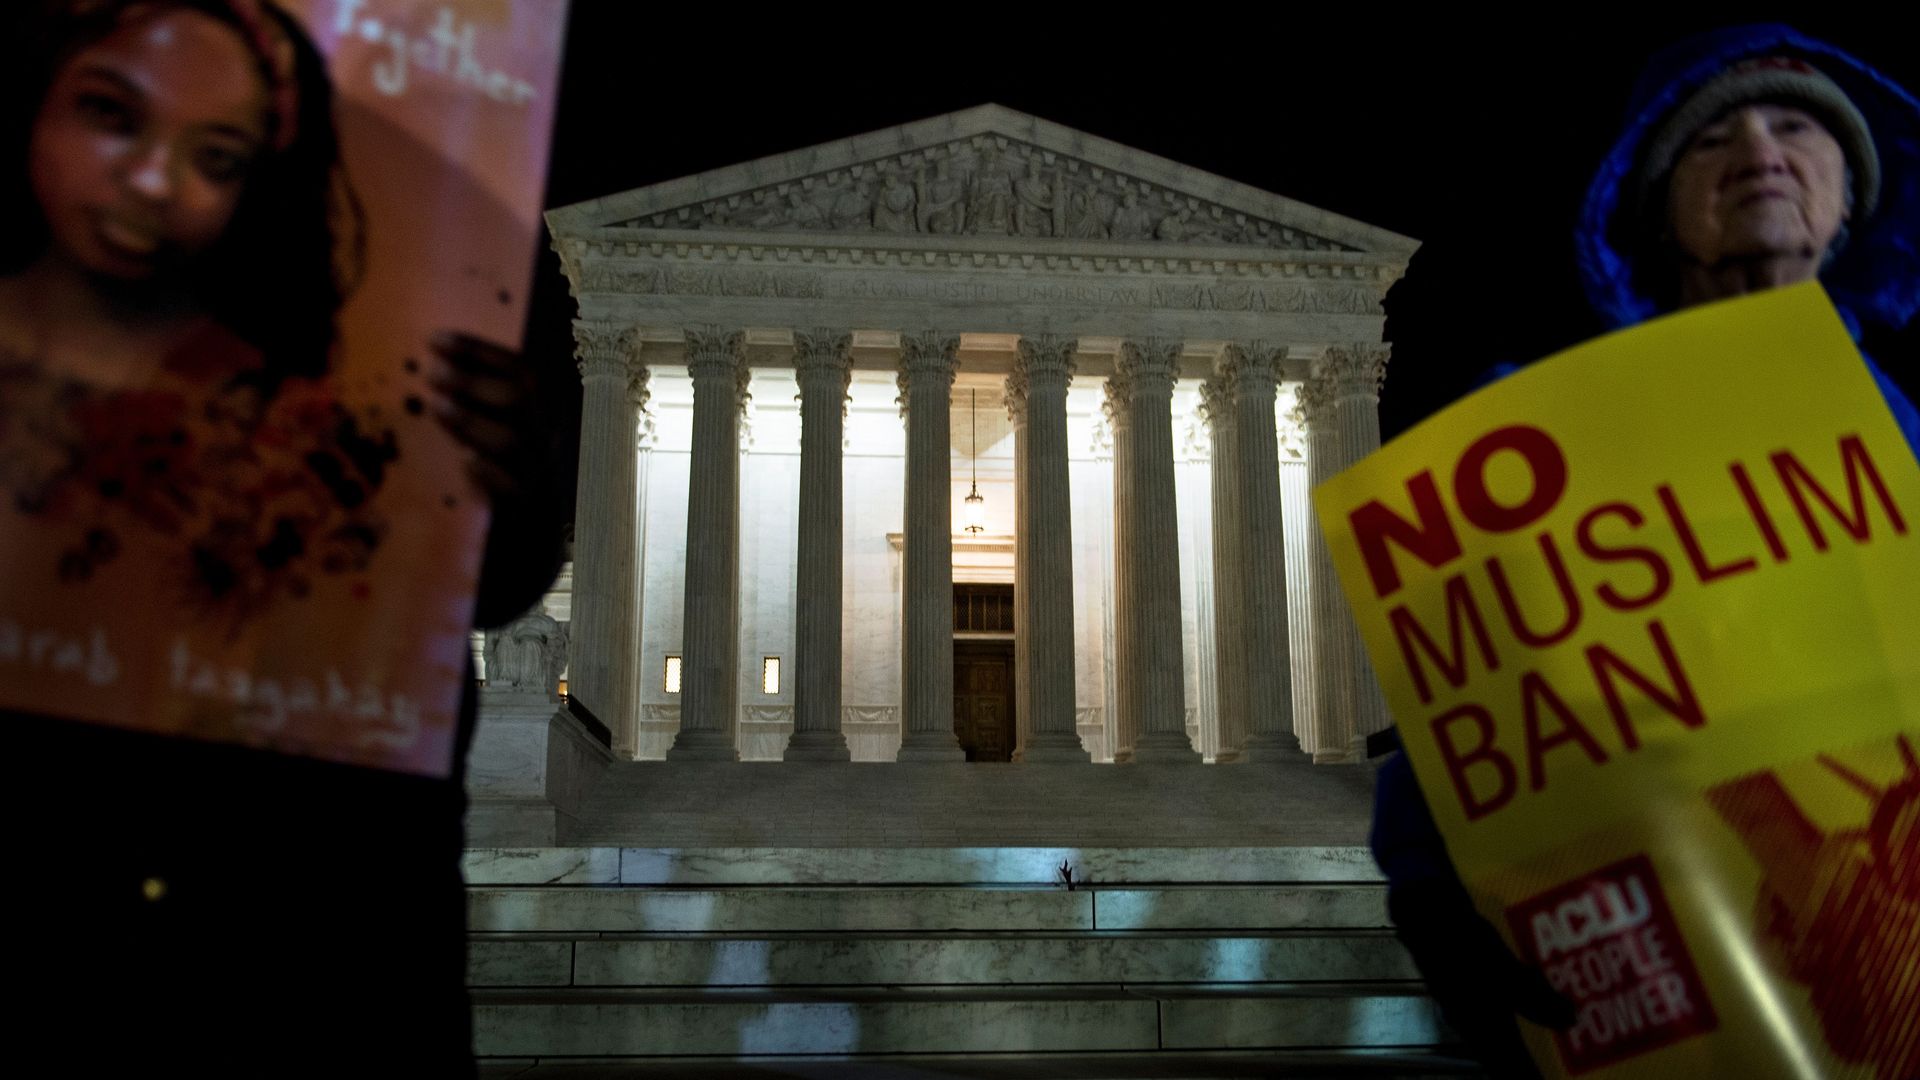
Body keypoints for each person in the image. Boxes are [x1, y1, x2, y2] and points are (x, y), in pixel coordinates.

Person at [1, 2, 564, 1073]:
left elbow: (501, 583)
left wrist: (519, 476)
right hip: (67, 829)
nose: (162, 182)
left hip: (331, 856)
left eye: (222, 154)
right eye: (118, 118)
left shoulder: (441, 238)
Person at [1370, 24, 1918, 1078]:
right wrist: (1442, 909)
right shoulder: (1537, 448)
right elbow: (1473, 704)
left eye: (1797, 126)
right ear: (1655, 211)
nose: (1760, 149)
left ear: (1852, 195)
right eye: (1712, 142)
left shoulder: (1906, 432)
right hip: (1676, 982)